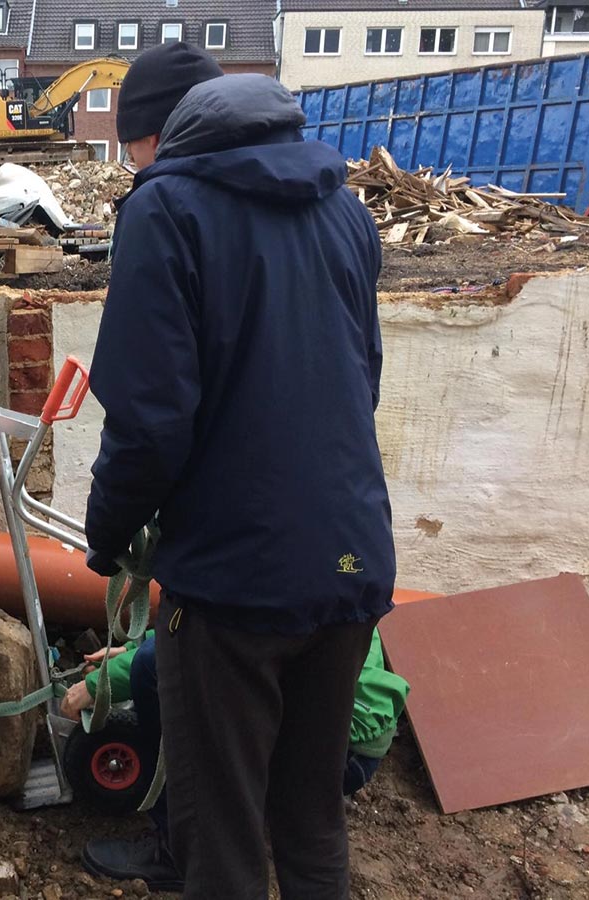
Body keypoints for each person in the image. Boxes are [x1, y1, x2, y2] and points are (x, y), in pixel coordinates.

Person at [82, 41, 395, 900]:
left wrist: (106, 535)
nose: (132, 165)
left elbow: (148, 424)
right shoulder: (346, 210)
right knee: (308, 818)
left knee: (216, 831)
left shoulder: (165, 210)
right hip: (351, 560)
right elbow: (361, 380)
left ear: (153, 136)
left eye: (128, 147)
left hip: (231, 581)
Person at [61, 630, 409, 891]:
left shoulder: (252, 550)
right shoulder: (312, 541)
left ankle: (180, 854)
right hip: (349, 737)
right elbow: (208, 613)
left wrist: (101, 683)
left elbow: (201, 634)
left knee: (152, 668)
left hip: (332, 753)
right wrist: (137, 644)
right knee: (157, 656)